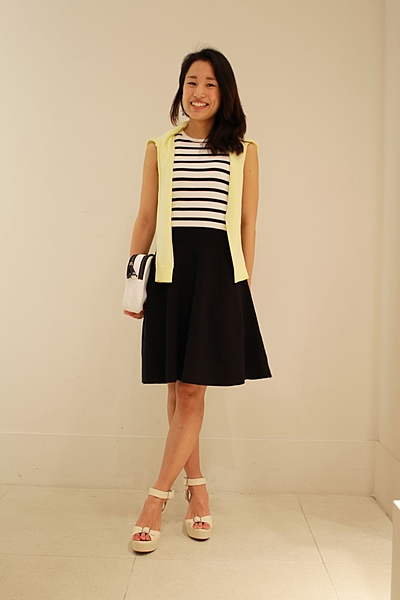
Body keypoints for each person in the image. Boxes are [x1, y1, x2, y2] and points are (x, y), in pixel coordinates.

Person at [124, 47, 272, 553]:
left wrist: (242, 284)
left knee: (192, 391)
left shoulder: (244, 151)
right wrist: (133, 281)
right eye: (191, 82)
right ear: (181, 88)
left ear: (225, 92)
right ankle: (199, 488)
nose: (199, 92)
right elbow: (146, 219)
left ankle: (155, 499)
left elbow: (248, 222)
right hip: (170, 274)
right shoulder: (160, 147)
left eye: (210, 83)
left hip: (218, 277)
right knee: (177, 387)